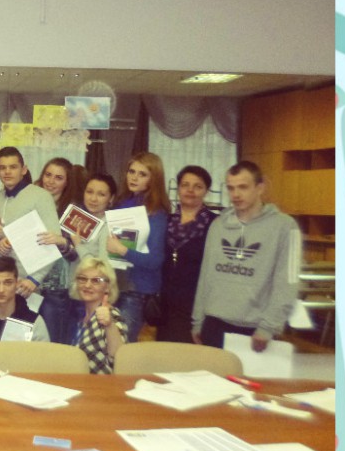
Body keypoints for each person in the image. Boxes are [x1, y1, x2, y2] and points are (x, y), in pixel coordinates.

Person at [192, 161, 301, 352]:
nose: (236, 194)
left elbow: (287, 282)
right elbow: (206, 276)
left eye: (243, 187)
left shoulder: (285, 226)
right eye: (231, 188)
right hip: (214, 323)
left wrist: (268, 327)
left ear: (260, 188)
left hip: (256, 329)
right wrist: (198, 320)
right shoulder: (218, 225)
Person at [108, 151, 171, 343]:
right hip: (114, 284)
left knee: (121, 345)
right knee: (109, 342)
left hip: (137, 290)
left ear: (154, 179)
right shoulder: (121, 204)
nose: (134, 177)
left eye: (142, 174)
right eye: (131, 171)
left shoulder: (156, 213)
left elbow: (155, 260)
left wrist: (122, 250)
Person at [0, 147, 63, 298]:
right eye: (3, 168)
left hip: (28, 282)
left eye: (13, 167)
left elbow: (53, 240)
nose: (7, 172)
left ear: (23, 170)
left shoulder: (41, 196)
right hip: (1, 281)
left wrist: (35, 279)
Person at [157, 165, 218, 343]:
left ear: (206, 191)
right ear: (178, 189)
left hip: (197, 305)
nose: (190, 190)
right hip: (166, 304)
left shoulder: (215, 224)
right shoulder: (166, 220)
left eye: (197, 186)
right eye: (185, 185)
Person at [33, 157, 81, 344]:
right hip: (28, 283)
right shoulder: (30, 202)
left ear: (67, 182)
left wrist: (62, 242)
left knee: (54, 344)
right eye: (48, 175)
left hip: (55, 288)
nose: (51, 181)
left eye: (58, 178)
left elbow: (76, 254)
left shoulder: (73, 212)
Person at [68, 256, 127, 374]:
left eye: (96, 280)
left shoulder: (112, 315)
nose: (87, 285)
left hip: (100, 384)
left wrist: (109, 325)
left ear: (107, 287)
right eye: (83, 279)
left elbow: (119, 358)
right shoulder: (80, 317)